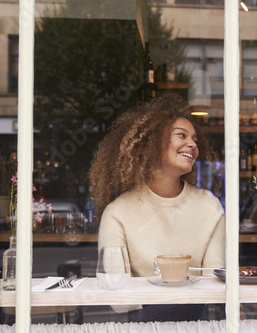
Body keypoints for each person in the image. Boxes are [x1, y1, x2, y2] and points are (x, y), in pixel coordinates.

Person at [89, 93, 225, 321]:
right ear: (152, 143)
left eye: (195, 140)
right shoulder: (118, 213)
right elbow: (117, 300)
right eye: (181, 135)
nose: (192, 144)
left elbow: (214, 286)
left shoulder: (209, 206)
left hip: (195, 324)